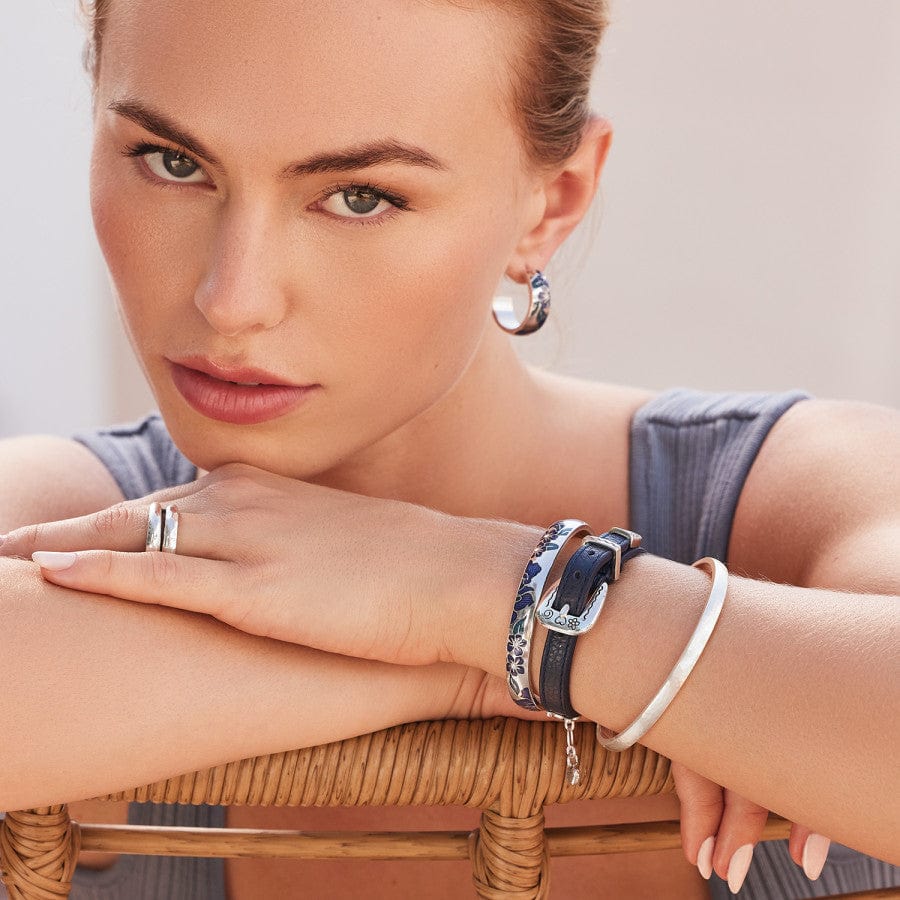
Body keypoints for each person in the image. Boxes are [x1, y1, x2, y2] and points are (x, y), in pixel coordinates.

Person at [0, 1, 897, 898]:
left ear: (552, 202)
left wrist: (485, 588)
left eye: (361, 196)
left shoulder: (801, 490)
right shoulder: (65, 505)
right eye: (172, 161)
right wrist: (503, 660)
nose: (232, 300)